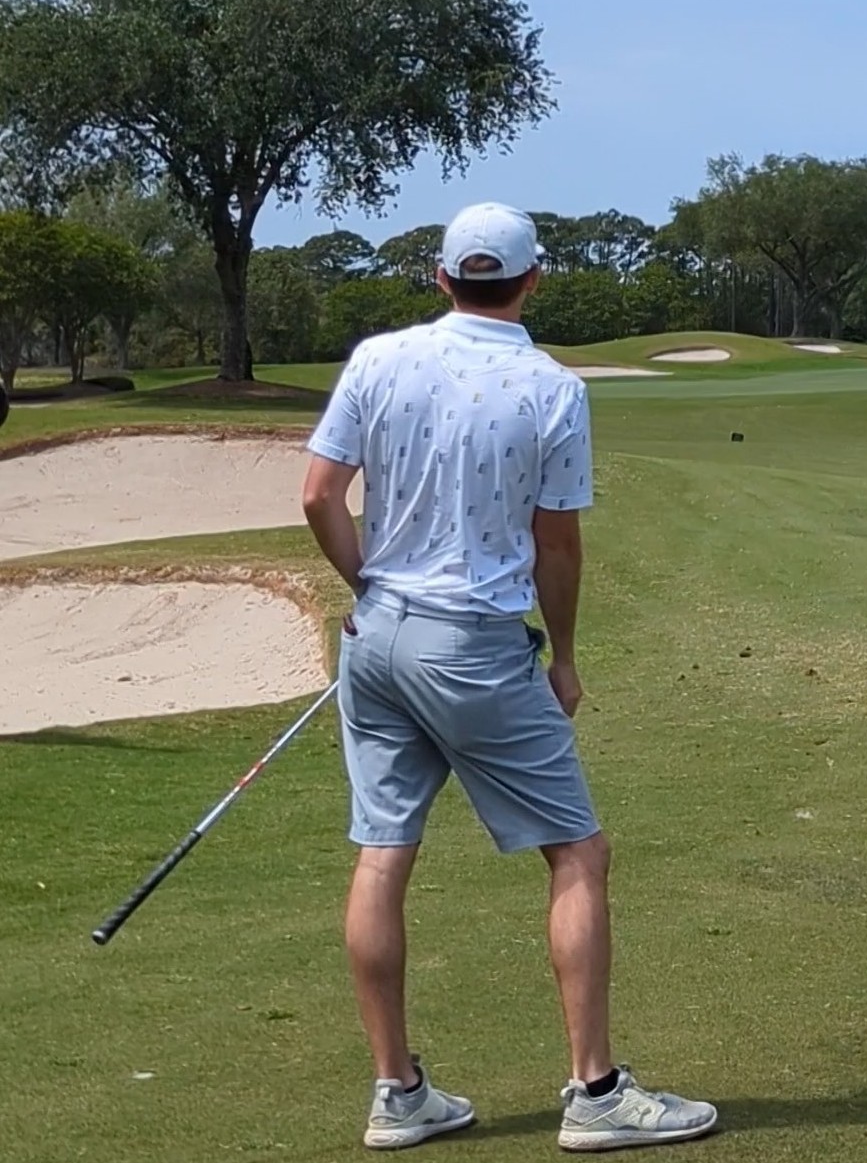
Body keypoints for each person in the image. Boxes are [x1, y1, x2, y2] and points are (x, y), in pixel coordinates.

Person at [300, 203, 716, 1153]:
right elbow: (555, 543)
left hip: (377, 638)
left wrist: (371, 591)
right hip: (475, 646)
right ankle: (596, 1092)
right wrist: (563, 656)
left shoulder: (377, 357)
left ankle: (398, 1092)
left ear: (441, 277)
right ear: (533, 280)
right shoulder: (551, 387)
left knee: (382, 852)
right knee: (578, 853)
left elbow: (320, 495)